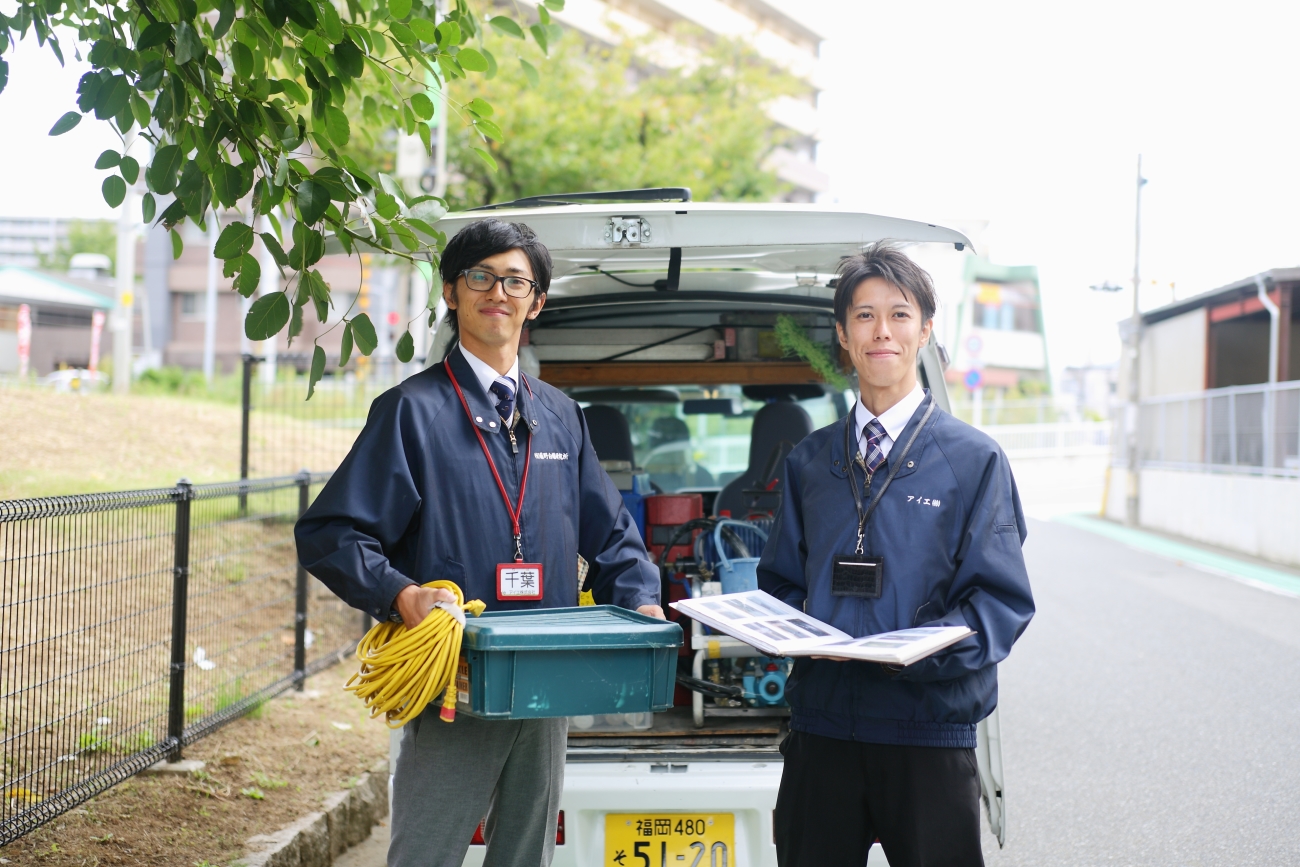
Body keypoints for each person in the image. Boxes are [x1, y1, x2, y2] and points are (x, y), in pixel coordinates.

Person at [295, 218, 663, 867]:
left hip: (548, 680)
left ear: (536, 301)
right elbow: (331, 531)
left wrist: (641, 599)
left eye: (515, 280)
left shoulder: (560, 415)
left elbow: (612, 535)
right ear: (452, 292)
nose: (499, 291)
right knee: (426, 854)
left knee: (525, 854)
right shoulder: (412, 411)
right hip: (453, 680)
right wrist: (401, 595)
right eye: (480, 276)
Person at [757, 242, 1035, 867]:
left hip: (928, 732)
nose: (882, 330)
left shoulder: (973, 460)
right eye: (864, 316)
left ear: (926, 331)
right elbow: (779, 584)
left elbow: (1000, 601)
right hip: (822, 730)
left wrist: (915, 654)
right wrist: (792, 628)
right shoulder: (809, 462)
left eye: (900, 314)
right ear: (843, 336)